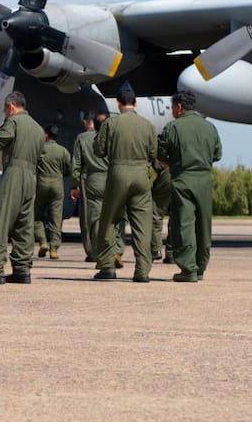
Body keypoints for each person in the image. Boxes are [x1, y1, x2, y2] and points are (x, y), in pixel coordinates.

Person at [0, 92, 44, 285]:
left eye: (5, 109)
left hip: (14, 172)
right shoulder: (37, 128)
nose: (5, 112)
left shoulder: (13, 122)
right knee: (24, 224)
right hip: (31, 176)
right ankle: (22, 270)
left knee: (1, 220)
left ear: (11, 106)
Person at [92, 88, 159, 282]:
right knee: (142, 224)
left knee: (109, 221)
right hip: (141, 176)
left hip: (118, 174)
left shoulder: (111, 123)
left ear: (119, 104)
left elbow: (98, 150)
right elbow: (154, 154)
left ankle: (107, 267)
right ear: (135, 103)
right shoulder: (148, 125)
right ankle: (142, 271)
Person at [158, 91, 223, 283]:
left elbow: (162, 156)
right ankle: (200, 266)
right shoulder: (210, 127)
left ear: (179, 107)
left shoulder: (173, 127)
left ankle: (188, 270)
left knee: (183, 224)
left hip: (182, 179)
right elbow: (217, 155)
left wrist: (175, 164)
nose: (172, 112)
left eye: (173, 108)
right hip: (204, 180)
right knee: (203, 224)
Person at [70, 112, 109, 263]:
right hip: (109, 178)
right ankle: (113, 249)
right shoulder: (109, 136)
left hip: (89, 178)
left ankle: (93, 251)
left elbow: (76, 164)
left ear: (87, 122)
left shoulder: (82, 138)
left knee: (88, 216)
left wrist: (74, 185)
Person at [34, 124, 71, 259]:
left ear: (46, 135)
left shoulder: (39, 149)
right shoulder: (63, 151)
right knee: (56, 218)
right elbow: (70, 168)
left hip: (41, 184)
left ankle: (43, 242)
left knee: (37, 215)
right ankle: (54, 248)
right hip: (57, 185)